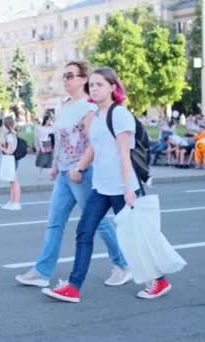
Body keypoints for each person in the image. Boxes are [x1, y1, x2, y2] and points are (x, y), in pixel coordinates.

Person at [42, 66, 172, 303]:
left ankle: (160, 279)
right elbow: (94, 147)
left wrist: (129, 188)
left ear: (113, 87)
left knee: (134, 235)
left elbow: (124, 153)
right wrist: (79, 168)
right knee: (84, 231)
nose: (94, 88)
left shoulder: (119, 114)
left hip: (122, 186)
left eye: (99, 84)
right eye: (91, 84)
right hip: (101, 187)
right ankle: (73, 286)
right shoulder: (98, 115)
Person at [16, 61, 128, 289]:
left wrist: (79, 168)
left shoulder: (88, 107)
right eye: (64, 76)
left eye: (70, 75)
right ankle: (42, 271)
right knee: (55, 222)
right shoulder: (66, 105)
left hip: (82, 173)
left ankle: (122, 263)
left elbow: (93, 142)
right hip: (65, 173)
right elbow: (63, 139)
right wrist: (56, 165)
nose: (65, 79)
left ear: (83, 79)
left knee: (96, 223)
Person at [0, 116, 21, 210]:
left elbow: (9, 151)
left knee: (14, 181)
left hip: (11, 159)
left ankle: (16, 202)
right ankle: (12, 201)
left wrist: (0, 148)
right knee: (12, 181)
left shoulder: (10, 136)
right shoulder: (11, 135)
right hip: (11, 159)